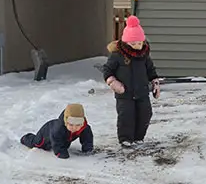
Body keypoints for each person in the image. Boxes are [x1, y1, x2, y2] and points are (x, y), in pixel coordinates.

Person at [102, 16, 161, 147]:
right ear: (126, 42)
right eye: (133, 44)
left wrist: (155, 83)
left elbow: (151, 70)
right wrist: (113, 82)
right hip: (124, 93)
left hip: (142, 92)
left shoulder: (144, 55)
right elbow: (107, 70)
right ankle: (125, 139)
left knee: (145, 114)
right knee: (126, 116)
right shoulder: (118, 55)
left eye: (139, 43)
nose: (137, 46)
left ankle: (139, 137)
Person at [20, 103, 94, 160]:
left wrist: (88, 149)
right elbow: (57, 142)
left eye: (78, 125)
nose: (74, 128)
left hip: (64, 137)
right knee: (37, 143)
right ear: (66, 122)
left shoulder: (84, 128)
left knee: (64, 142)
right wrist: (61, 153)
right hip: (46, 134)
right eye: (71, 125)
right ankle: (25, 138)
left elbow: (87, 139)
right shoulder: (58, 129)